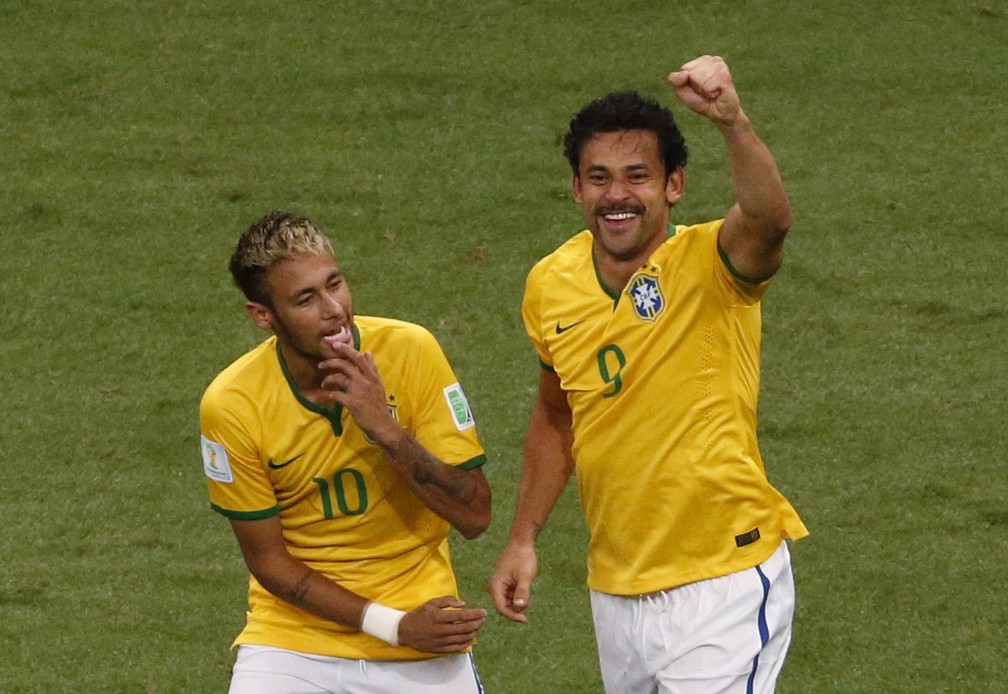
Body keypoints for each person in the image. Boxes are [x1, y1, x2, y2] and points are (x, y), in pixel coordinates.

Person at [488, 55, 809, 693]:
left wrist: (733, 122)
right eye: (599, 177)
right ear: (576, 189)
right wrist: (523, 538)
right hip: (617, 591)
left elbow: (770, 220)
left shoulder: (712, 265)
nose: (617, 195)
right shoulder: (550, 285)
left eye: (638, 176)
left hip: (725, 581)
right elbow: (557, 414)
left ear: (674, 185)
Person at [199, 210, 491, 693]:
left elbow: (475, 515)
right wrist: (393, 627)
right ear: (263, 316)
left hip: (426, 635)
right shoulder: (232, 405)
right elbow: (270, 563)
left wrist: (387, 430)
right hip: (292, 644)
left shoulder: (411, 351)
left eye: (335, 284)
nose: (334, 309)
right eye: (305, 299)